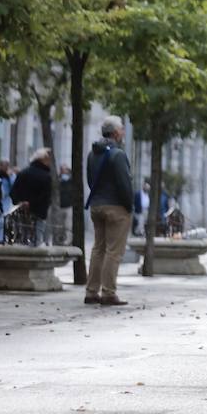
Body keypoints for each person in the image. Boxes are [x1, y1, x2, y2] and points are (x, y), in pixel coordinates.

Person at [85, 116, 135, 306]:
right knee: (113, 252)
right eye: (121, 129)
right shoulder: (118, 154)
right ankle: (108, 293)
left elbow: (90, 180)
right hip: (116, 207)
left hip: (96, 204)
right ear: (115, 133)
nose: (123, 133)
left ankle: (91, 291)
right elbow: (124, 184)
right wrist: (129, 205)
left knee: (98, 249)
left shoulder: (93, 154)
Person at [10, 149, 55, 246]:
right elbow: (45, 196)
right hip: (39, 212)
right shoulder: (46, 176)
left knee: (22, 238)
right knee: (38, 239)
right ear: (43, 160)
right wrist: (31, 203)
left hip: (21, 212)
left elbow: (13, 191)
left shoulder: (23, 173)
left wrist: (20, 202)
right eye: (48, 159)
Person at [55, 164, 78, 246]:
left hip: (69, 206)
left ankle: (68, 241)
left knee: (68, 225)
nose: (63, 171)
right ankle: (60, 240)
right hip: (60, 206)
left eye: (65, 169)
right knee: (60, 225)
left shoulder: (71, 180)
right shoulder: (58, 180)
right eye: (62, 169)